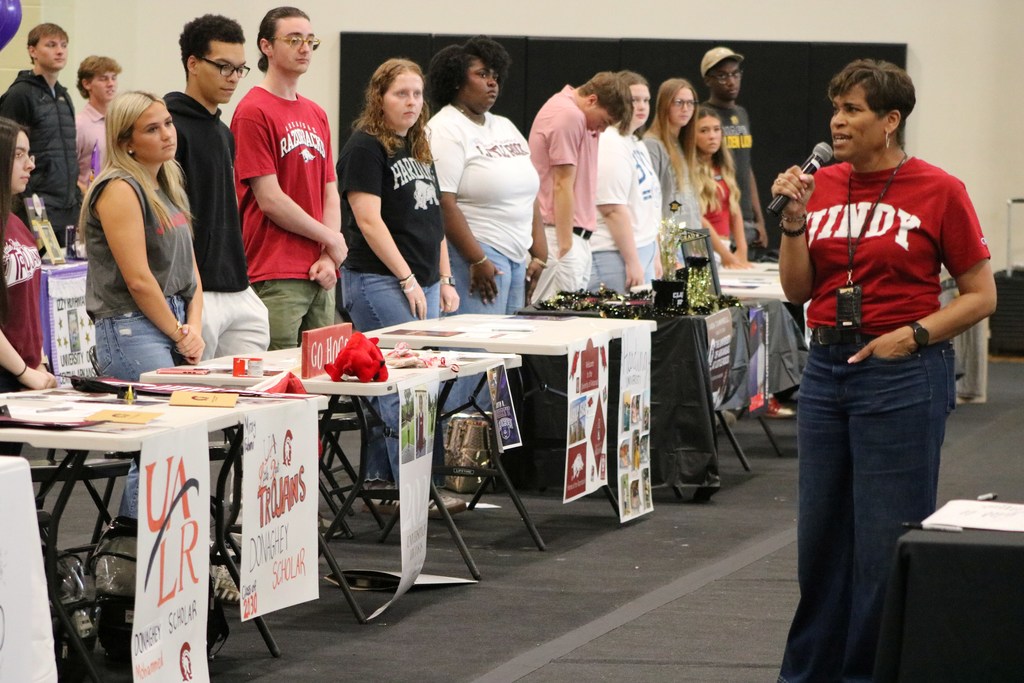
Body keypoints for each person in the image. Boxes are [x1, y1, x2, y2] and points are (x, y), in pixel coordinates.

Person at [771, 59, 996, 682]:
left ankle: (870, 674)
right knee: (819, 540)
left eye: (853, 110)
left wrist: (914, 335)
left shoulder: (938, 189)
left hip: (901, 375)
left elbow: (981, 296)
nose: (837, 122)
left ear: (890, 121)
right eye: (835, 109)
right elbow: (797, 288)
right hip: (825, 371)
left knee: (883, 541)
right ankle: (807, 674)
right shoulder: (822, 183)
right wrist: (793, 219)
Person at [337, 57, 459, 490]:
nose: (411, 102)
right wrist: (407, 278)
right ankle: (410, 490)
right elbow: (368, 221)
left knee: (421, 383)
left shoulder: (418, 144)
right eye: (400, 94)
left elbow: (432, 218)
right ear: (379, 98)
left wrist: (445, 279)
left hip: (423, 282)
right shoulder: (365, 146)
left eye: (417, 94)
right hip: (379, 281)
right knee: (400, 387)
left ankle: (387, 482)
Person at [84, 92, 205, 520]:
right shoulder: (119, 188)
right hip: (131, 326)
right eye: (152, 128)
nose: (167, 134)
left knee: (175, 440)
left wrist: (193, 327)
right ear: (127, 140)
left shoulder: (168, 182)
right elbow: (137, 279)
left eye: (168, 123)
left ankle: (140, 554)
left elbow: (191, 271)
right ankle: (135, 555)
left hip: (170, 318)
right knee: (159, 441)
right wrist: (179, 331)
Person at [230, 6, 344, 350]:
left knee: (321, 381)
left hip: (322, 272)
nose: (304, 48)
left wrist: (329, 253)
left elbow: (330, 191)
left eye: (310, 40)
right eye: (294, 39)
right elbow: (271, 199)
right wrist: (332, 239)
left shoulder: (316, 113)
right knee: (278, 381)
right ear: (266, 46)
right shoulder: (253, 111)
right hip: (275, 269)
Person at [168, 14, 270, 360]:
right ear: (193, 64)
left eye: (240, 69)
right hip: (195, 290)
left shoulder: (223, 131)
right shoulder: (169, 128)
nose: (234, 79)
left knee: (248, 396)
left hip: (237, 284)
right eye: (224, 67)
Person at [425, 35, 544, 312]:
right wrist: (477, 259)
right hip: (477, 252)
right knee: (478, 348)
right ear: (456, 80)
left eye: (495, 75)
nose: (493, 82)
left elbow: (529, 191)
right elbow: (443, 202)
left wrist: (539, 253)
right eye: (482, 75)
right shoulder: (445, 128)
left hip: (517, 256)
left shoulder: (504, 125)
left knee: (512, 350)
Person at [527, 72, 632, 303]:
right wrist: (565, 246)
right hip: (559, 234)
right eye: (604, 122)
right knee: (552, 321)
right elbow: (562, 183)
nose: (602, 130)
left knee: (569, 322)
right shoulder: (569, 115)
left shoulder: (577, 113)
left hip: (575, 234)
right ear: (592, 100)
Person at [0, 23, 80, 245]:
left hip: (67, 208)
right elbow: (5, 150)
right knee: (38, 272)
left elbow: (69, 154)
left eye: (64, 45)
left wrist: (77, 198)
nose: (60, 51)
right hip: (34, 207)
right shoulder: (20, 94)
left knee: (66, 275)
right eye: (51, 45)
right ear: (32, 51)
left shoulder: (65, 97)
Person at [589, 70, 661, 293]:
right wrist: (632, 261)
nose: (642, 106)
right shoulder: (611, 141)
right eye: (634, 100)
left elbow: (649, 205)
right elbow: (612, 208)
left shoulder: (637, 143)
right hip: (614, 252)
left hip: (643, 248)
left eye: (646, 100)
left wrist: (655, 253)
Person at [0, 117, 57, 395]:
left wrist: (40, 362)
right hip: (9, 372)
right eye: (18, 155)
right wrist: (24, 372)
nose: (30, 165)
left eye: (29, 154)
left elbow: (30, 306)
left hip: (26, 372)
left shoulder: (15, 221)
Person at [700, 47, 767, 254]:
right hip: (717, 217)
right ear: (708, 80)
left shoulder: (742, 113)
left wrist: (760, 220)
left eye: (735, 74)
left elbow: (746, 168)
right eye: (722, 76)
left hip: (745, 218)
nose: (731, 81)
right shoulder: (704, 117)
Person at [693, 106, 752, 269]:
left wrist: (741, 249)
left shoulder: (723, 167)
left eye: (716, 129)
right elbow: (697, 217)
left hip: (725, 247)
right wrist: (726, 256)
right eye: (704, 131)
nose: (712, 136)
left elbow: (734, 208)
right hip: (702, 250)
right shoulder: (688, 170)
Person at [643, 78, 703, 235]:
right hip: (669, 240)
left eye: (690, 103)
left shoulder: (683, 143)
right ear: (665, 105)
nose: (686, 108)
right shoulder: (652, 144)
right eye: (678, 102)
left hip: (693, 237)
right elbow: (649, 201)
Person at [75, 55, 121, 191]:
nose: (111, 83)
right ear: (87, 84)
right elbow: (67, 173)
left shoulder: (120, 123)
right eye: (103, 79)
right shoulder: (79, 125)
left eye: (113, 78)